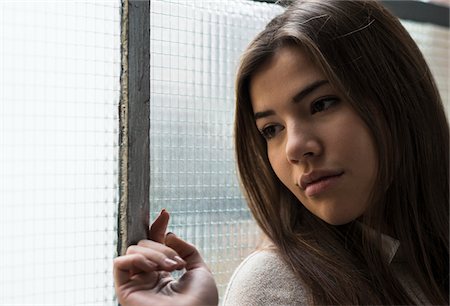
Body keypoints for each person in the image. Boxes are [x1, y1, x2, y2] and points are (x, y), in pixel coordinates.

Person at [113, 0, 449, 305]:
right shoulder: (277, 285)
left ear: (399, 99)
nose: (294, 148)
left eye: (321, 104)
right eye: (271, 130)